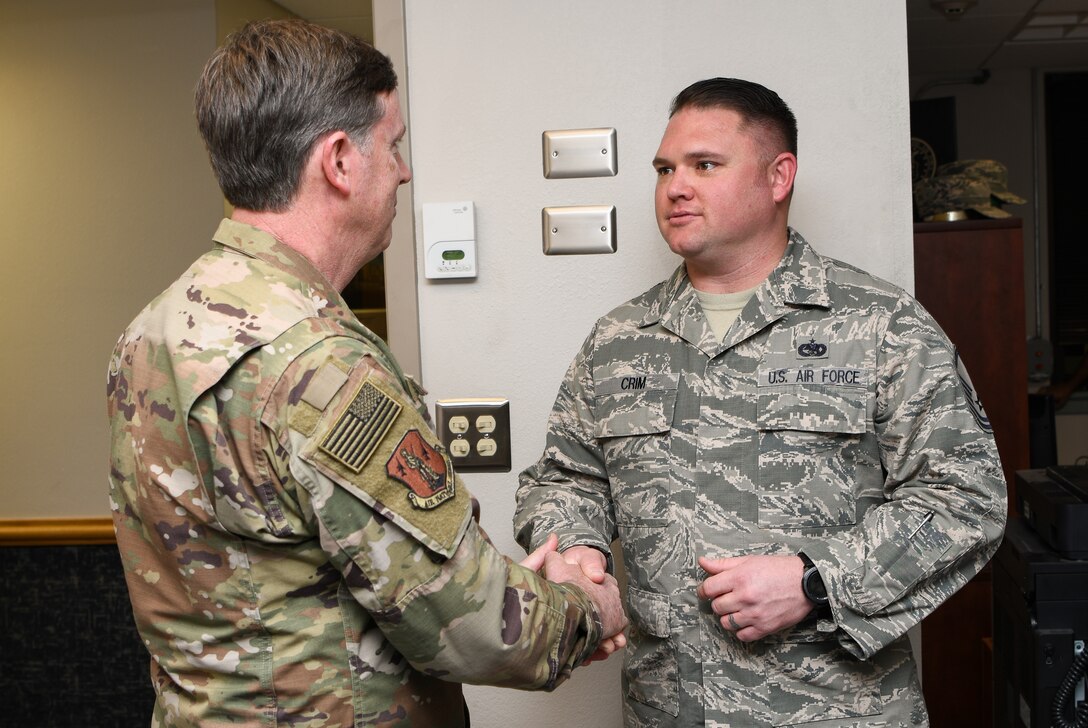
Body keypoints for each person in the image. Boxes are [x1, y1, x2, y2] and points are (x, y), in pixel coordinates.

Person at [106, 20, 625, 727]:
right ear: (340, 161)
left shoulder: (154, 328)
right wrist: (584, 608)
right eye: (395, 144)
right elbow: (479, 632)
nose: (404, 170)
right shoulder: (320, 365)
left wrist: (486, 586)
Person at [514, 77, 1007, 727]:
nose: (675, 187)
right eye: (665, 168)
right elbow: (566, 476)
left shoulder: (877, 324)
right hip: (669, 709)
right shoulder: (619, 340)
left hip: (833, 710)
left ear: (779, 177)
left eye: (705, 165)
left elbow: (964, 497)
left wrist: (813, 579)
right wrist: (580, 549)